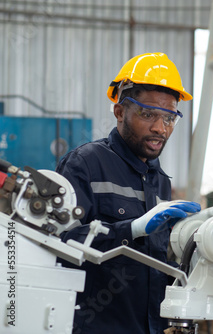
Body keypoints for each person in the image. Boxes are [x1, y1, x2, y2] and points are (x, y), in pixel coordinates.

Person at [57, 52, 201, 334]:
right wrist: (130, 229)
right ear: (120, 111)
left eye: (170, 118)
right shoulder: (85, 164)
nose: (161, 128)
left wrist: (200, 257)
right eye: (148, 114)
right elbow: (61, 245)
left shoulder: (160, 180)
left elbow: (154, 264)